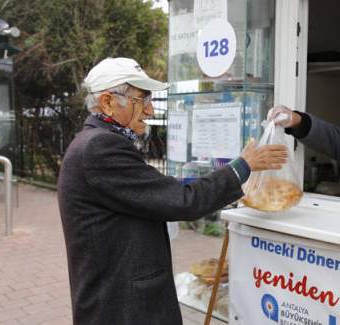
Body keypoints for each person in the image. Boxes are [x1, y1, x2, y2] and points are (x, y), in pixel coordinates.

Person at [57, 57, 288, 325]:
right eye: (142, 100)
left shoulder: (95, 144)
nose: (150, 110)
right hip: (122, 308)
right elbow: (182, 201)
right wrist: (243, 167)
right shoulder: (100, 148)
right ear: (108, 102)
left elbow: (153, 192)